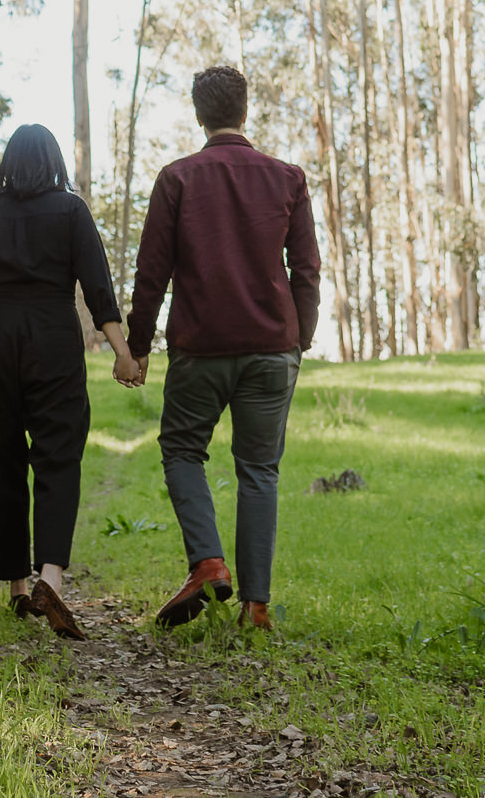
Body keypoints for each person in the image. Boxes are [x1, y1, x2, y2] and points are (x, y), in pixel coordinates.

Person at [124, 65, 319, 633]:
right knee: (260, 470)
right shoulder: (287, 178)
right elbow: (305, 269)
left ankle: (208, 563)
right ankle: (255, 606)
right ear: (245, 109)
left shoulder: (177, 178)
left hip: (200, 347)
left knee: (183, 450)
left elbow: (151, 272)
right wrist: (298, 339)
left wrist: (137, 347)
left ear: (198, 113)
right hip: (271, 350)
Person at [0, 122, 142, 640]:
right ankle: (51, 576)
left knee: (2, 457)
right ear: (54, 161)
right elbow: (97, 286)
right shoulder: (71, 210)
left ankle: (17, 583)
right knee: (59, 454)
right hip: (54, 338)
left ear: (8, 163)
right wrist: (122, 352)